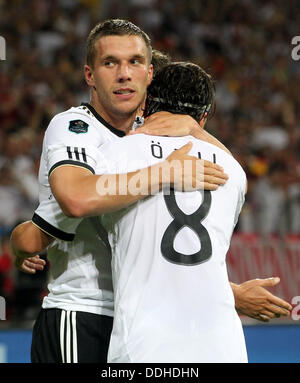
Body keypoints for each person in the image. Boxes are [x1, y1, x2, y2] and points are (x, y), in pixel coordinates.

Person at [11, 22, 291, 362]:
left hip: (139, 318)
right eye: (110, 63)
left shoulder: (147, 144)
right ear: (89, 75)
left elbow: (151, 248)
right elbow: (76, 200)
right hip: (83, 314)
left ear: (150, 73)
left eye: (135, 62)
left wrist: (227, 292)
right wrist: (163, 172)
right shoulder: (76, 128)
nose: (124, 74)